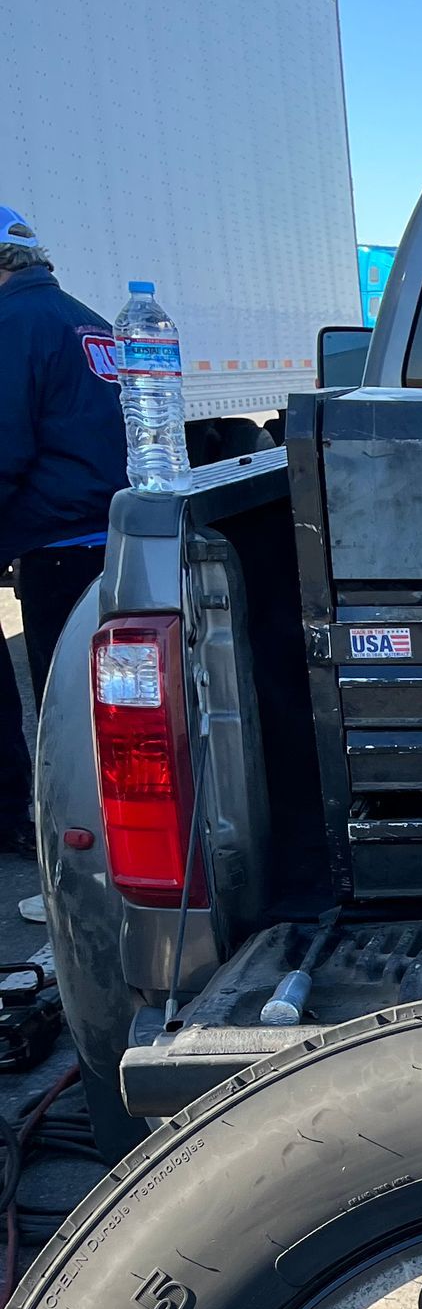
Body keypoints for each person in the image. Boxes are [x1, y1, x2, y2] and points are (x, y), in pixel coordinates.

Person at [0, 205, 128, 857]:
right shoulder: (91, 321)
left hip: (54, 550)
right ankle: (117, 840)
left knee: (68, 724)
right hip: (109, 539)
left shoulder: (12, 324)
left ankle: (80, 852)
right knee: (110, 713)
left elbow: (4, 447)